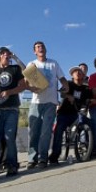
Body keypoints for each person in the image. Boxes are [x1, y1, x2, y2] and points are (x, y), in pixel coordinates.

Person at [0, 47, 27, 181]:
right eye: (3, 53)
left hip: (12, 109)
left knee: (10, 138)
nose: (6, 55)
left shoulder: (15, 69)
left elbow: (22, 86)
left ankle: (12, 165)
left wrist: (9, 92)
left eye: (7, 53)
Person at [26, 41, 68, 169]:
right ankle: (31, 159)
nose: (40, 48)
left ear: (46, 49)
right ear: (34, 51)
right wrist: (32, 89)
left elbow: (62, 78)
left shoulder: (53, 63)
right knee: (33, 132)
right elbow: (26, 83)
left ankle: (42, 158)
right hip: (36, 102)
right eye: (38, 47)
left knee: (46, 132)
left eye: (42, 46)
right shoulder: (31, 64)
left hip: (51, 102)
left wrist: (65, 86)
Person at [49, 67, 94, 163]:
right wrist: (68, 96)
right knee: (59, 130)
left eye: (79, 71)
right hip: (64, 113)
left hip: (76, 114)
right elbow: (61, 93)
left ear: (83, 75)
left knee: (91, 123)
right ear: (72, 75)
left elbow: (91, 98)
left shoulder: (85, 88)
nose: (77, 73)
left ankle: (88, 148)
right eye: (75, 72)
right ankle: (55, 155)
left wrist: (92, 100)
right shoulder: (68, 84)